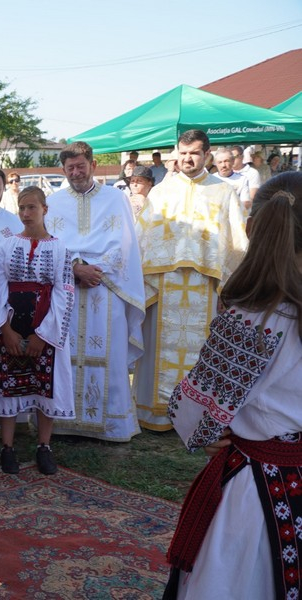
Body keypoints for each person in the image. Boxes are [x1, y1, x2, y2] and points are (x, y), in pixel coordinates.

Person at [163, 172, 302, 600]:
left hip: (257, 497)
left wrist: (207, 431)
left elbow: (194, 415)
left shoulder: (252, 319)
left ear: (252, 227)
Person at [134, 130, 248, 431]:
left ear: (207, 155)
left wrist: (230, 287)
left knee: (202, 351)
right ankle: (155, 414)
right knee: (158, 350)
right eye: (183, 153)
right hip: (163, 284)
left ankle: (196, 416)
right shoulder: (161, 192)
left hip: (205, 286)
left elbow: (237, 242)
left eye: (194, 153)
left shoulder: (223, 192)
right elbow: (141, 238)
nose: (187, 158)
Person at [46, 141, 145, 442]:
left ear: (93, 165)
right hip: (67, 289)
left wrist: (94, 270)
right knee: (65, 353)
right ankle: (64, 420)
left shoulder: (116, 198)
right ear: (63, 170)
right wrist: (75, 268)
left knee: (109, 354)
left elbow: (125, 244)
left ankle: (111, 424)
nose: (76, 172)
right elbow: (49, 244)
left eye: (81, 166)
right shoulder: (53, 202)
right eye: (70, 168)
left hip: (106, 287)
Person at [0, 186, 75, 475]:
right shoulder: (6, 246)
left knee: (44, 387)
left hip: (44, 326)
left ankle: (44, 446)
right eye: (22, 208)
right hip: (13, 324)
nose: (26, 214)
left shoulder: (60, 248)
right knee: (8, 386)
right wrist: (5, 328)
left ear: (44, 209)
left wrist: (44, 334)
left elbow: (64, 293)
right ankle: (7, 447)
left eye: (32, 207)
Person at [212, 147, 251, 212]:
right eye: (220, 162)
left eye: (226, 161)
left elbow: (245, 203)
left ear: (233, 161)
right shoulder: (211, 179)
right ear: (216, 164)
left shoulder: (242, 179)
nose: (223, 165)